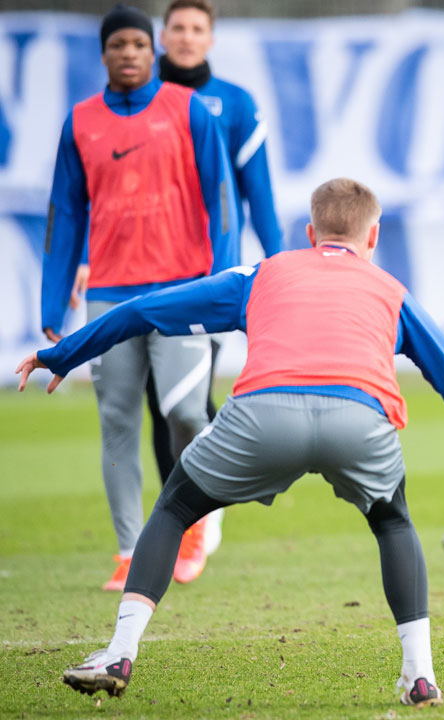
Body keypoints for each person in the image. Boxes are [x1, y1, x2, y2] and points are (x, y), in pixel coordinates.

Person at [18, 178, 444, 708]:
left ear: (309, 232)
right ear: (374, 238)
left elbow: (145, 310)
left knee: (176, 506)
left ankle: (119, 651)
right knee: (392, 521)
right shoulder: (392, 291)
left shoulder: (264, 273)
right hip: (360, 419)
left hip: (262, 415)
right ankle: (420, 676)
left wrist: (65, 353)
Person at [41, 3, 237, 592]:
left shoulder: (188, 110)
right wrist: (55, 305)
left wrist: (224, 285)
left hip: (183, 291)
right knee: (118, 420)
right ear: (103, 54)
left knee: (182, 411)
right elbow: (65, 211)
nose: (128, 53)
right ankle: (129, 551)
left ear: (152, 53)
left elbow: (222, 198)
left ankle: (202, 517)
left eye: (137, 45)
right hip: (109, 293)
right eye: (117, 45)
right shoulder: (81, 122)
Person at [134, 0, 287, 560]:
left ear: (211, 38)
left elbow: (260, 197)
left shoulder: (235, 103)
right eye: (178, 27)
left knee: (184, 400)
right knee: (158, 399)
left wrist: (281, 268)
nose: (187, 37)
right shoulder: (137, 102)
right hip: (140, 271)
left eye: (198, 28)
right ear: (162, 35)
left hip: (209, 274)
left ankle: (203, 510)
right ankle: (184, 517)